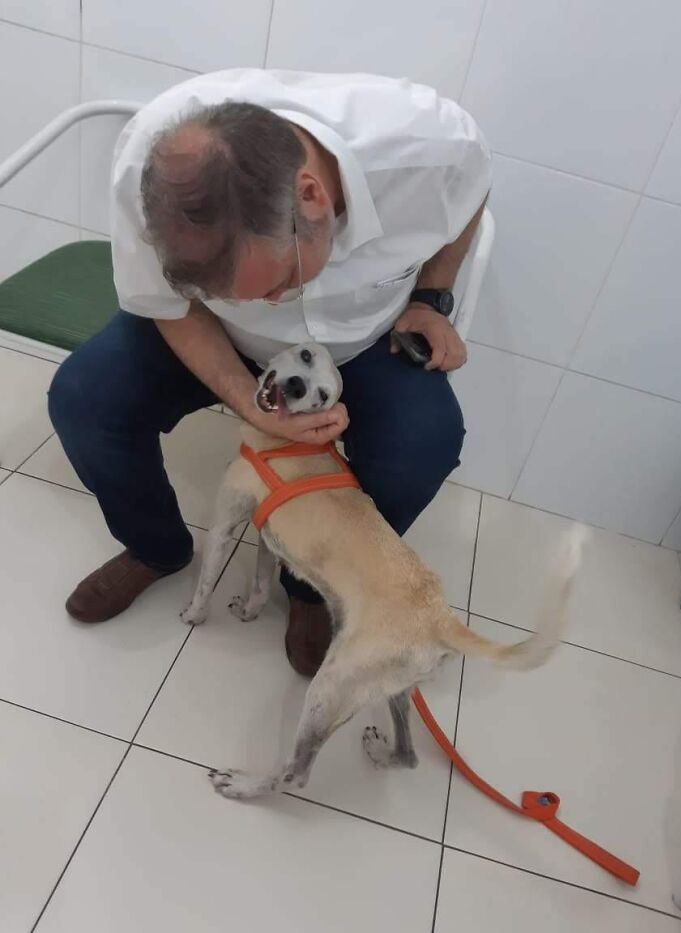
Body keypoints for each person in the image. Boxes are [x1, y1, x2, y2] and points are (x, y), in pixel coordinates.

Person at [48, 69, 491, 677]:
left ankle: (307, 585)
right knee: (84, 399)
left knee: (424, 445)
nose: (275, 304)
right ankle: (155, 546)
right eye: (247, 292)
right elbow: (169, 307)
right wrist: (246, 398)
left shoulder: (435, 151)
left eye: (281, 283)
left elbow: (471, 198)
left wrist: (431, 298)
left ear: (310, 195)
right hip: (214, 332)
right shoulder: (153, 166)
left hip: (361, 340)